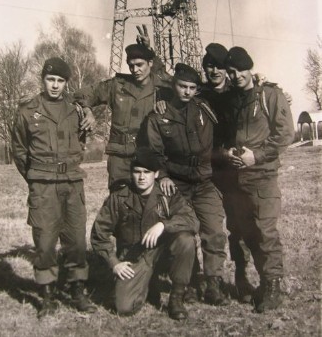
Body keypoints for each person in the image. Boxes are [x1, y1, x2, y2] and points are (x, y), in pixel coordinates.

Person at [12, 57, 96, 318]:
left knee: (76, 241)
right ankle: (47, 295)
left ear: (66, 83)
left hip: (72, 183)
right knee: (45, 242)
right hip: (43, 187)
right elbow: (19, 151)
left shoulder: (77, 110)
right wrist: (36, 179)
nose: (55, 85)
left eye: (60, 81)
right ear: (43, 80)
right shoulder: (27, 111)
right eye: (51, 80)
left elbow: (83, 141)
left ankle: (77, 290)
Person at [146, 63, 229, 306]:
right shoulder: (159, 115)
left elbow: (226, 92)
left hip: (204, 181)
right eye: (182, 86)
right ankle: (190, 284)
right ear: (173, 86)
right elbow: (154, 152)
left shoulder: (205, 108)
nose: (187, 92)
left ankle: (212, 283)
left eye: (192, 87)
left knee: (214, 230)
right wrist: (163, 176)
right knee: (184, 233)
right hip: (177, 183)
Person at [222, 46, 295, 313]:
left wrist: (258, 156)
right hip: (237, 179)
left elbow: (285, 134)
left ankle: (273, 287)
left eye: (240, 69)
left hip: (262, 176)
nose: (236, 75)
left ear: (250, 68)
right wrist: (227, 151)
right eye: (231, 71)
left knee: (266, 233)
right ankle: (259, 283)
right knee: (244, 234)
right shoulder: (231, 100)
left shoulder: (269, 94)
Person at [90, 147, 199, 320]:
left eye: (147, 172)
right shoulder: (119, 197)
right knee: (124, 307)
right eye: (137, 172)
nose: (141, 177)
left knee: (186, 240)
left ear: (156, 174)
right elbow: (99, 234)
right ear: (131, 173)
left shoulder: (167, 194)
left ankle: (177, 297)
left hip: (163, 253)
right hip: (135, 256)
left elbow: (192, 220)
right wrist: (114, 263)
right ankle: (149, 283)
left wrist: (163, 225)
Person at [75, 25, 171, 190]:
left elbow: (178, 84)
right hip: (119, 157)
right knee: (119, 204)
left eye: (140, 65)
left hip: (146, 154)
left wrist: (150, 50)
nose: (135, 70)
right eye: (131, 65)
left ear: (150, 63)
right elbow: (83, 94)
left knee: (147, 203)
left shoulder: (159, 86)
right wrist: (87, 110)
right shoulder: (117, 85)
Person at [201, 43, 252, 303]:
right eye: (209, 66)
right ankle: (214, 282)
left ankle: (242, 279)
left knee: (238, 227)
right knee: (212, 229)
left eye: (219, 66)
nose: (214, 71)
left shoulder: (237, 95)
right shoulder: (199, 96)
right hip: (210, 169)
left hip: (233, 172)